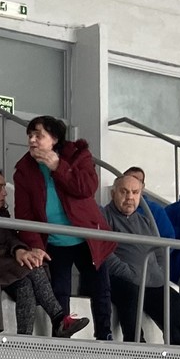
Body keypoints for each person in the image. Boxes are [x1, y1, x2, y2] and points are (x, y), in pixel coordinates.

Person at [12, 115, 115, 340]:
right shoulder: (24, 169)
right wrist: (36, 246)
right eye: (30, 136)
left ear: (55, 139)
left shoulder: (78, 155)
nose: (32, 140)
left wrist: (58, 166)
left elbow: (86, 188)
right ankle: (61, 339)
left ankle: (105, 336)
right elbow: (24, 215)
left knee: (100, 289)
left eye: (38, 135)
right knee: (60, 290)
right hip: (54, 241)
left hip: (86, 236)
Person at [0, 165, 83, 337]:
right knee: (31, 265)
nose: (4, 193)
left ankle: (24, 338)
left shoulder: (1, 214)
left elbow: (12, 238)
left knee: (25, 285)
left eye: (4, 188)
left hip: (6, 268)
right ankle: (59, 318)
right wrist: (13, 253)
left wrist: (19, 249)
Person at [103, 168, 180, 345]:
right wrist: (130, 274)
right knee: (130, 294)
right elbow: (104, 254)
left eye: (135, 192)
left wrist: (160, 272)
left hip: (151, 281)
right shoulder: (103, 217)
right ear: (113, 193)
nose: (130, 197)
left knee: (173, 300)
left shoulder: (146, 220)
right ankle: (136, 347)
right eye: (124, 192)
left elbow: (159, 250)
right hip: (122, 280)